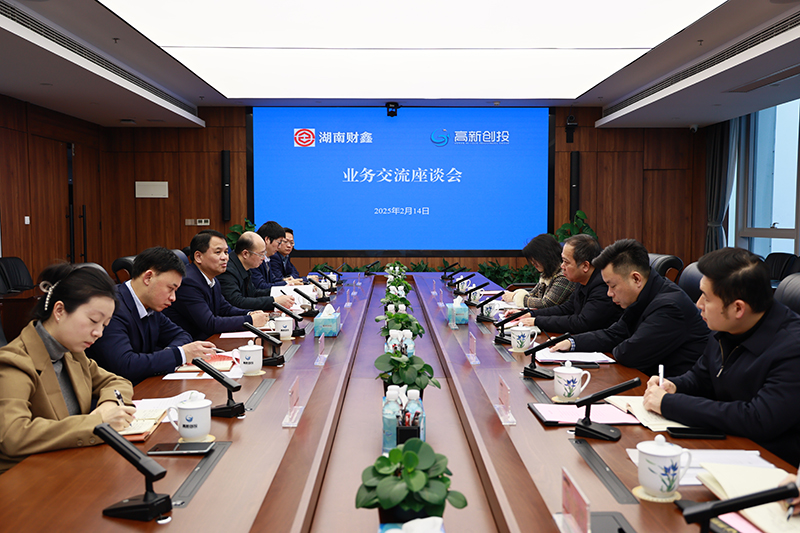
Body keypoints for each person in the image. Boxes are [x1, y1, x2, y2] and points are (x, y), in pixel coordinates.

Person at [643, 247, 800, 466]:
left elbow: (757, 419)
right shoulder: (726, 328)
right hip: (724, 444)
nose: (698, 304)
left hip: (771, 465)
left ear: (738, 308)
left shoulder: (792, 348)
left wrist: (669, 403)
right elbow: (701, 377)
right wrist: (674, 385)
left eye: (706, 298)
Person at [0, 264, 135, 474]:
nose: (98, 333)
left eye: (104, 325)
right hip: (28, 477)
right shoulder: (14, 362)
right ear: (59, 310)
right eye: (93, 321)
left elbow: (117, 381)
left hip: (71, 465)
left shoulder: (72, 353)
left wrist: (108, 405)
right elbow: (12, 436)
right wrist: (97, 423)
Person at [550, 239, 709, 377]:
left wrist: (619, 343)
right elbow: (614, 334)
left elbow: (628, 354)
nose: (609, 293)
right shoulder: (644, 295)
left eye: (612, 286)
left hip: (673, 391)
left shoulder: (670, 307)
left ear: (636, 279)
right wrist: (572, 342)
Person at [86, 247, 217, 384]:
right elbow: (125, 365)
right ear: (148, 278)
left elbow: (182, 335)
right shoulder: (112, 307)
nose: (173, 298)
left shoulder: (151, 306)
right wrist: (180, 355)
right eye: (170, 289)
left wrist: (170, 354)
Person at [163, 230, 269, 340]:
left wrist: (250, 313)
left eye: (226, 252)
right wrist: (250, 320)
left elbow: (225, 309)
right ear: (198, 257)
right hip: (190, 343)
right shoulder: (188, 282)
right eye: (218, 252)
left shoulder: (212, 279)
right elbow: (210, 323)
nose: (225, 257)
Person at [517, 234, 622, 333]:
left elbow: (581, 323)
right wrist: (531, 314)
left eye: (566, 262)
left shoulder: (603, 286)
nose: (562, 266)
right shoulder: (583, 279)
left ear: (585, 266)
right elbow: (567, 308)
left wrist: (537, 321)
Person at [218, 231, 295, 311]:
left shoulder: (243, 266)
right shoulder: (227, 271)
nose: (263, 258)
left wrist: (278, 291)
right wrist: (274, 301)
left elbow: (253, 293)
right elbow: (237, 302)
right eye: (261, 254)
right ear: (245, 254)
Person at [502, 234, 576, 309]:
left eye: (535, 258)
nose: (533, 263)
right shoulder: (547, 273)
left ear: (546, 256)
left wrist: (515, 298)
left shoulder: (564, 276)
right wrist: (514, 295)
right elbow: (533, 294)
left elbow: (546, 303)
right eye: (531, 259)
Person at [251, 221, 302, 291]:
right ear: (267, 240)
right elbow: (261, 286)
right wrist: (286, 283)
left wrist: (285, 280)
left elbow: (272, 280)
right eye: (279, 242)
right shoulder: (254, 258)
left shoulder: (267, 258)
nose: (279, 246)